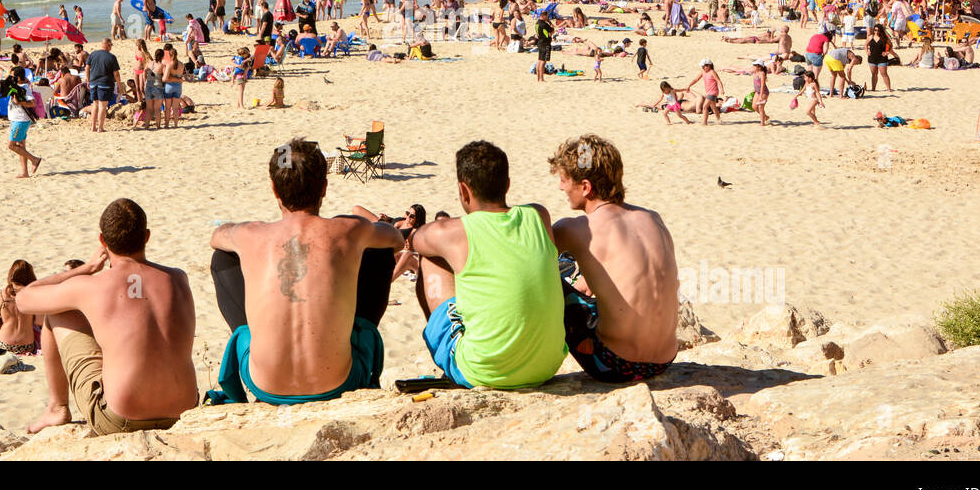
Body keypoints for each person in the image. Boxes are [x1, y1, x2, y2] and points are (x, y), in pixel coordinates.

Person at [207, 140, 404, 404]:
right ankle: (349, 337)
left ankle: (253, 336)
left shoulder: (250, 233)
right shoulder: (350, 230)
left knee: (222, 258)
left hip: (265, 385)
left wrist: (242, 229)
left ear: (274, 189)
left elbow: (216, 237)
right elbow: (396, 239)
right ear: (324, 187)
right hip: (340, 381)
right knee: (379, 252)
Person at [19, 198, 198, 434]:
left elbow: (24, 299)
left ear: (102, 241)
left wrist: (87, 268)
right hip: (182, 412)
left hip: (120, 419)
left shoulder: (92, 286)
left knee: (57, 313)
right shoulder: (178, 279)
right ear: (146, 236)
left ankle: (57, 407)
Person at [408, 141, 566, 389]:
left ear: (464, 190)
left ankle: (450, 360)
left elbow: (417, 240)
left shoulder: (452, 232)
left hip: (483, 372)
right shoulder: (539, 215)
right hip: (546, 365)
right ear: (508, 184)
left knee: (431, 258)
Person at [548, 137, 679, 382]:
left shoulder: (576, 229)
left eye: (564, 180)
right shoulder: (653, 218)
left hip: (614, 364)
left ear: (585, 187)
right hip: (665, 360)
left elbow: (528, 266)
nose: (561, 188)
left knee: (552, 272)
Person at [0, 260, 40, 360]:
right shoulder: (34, 295)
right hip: (28, 346)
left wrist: (6, 319)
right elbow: (39, 321)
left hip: (4, 344)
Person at [0, 66, 42, 177]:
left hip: (21, 120)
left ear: (18, 77)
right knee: (20, 146)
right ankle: (25, 172)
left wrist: (20, 103)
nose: (11, 78)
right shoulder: (17, 86)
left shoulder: (24, 88)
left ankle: (34, 160)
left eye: (13, 76)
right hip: (16, 119)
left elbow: (33, 103)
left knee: (11, 145)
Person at [85, 38, 123, 133]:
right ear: (108, 45)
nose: (111, 47)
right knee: (102, 106)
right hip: (105, 83)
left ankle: (93, 127)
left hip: (93, 82)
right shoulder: (111, 57)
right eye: (110, 45)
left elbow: (87, 68)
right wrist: (119, 85)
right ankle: (100, 128)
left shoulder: (93, 54)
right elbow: (116, 74)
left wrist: (88, 80)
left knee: (95, 104)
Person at [684, 59, 723, 125]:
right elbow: (696, 79)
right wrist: (689, 85)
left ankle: (704, 122)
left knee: (705, 107)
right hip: (708, 93)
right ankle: (719, 120)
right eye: (702, 67)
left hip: (713, 92)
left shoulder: (712, 72)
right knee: (713, 107)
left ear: (708, 66)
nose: (702, 68)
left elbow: (718, 81)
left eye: (703, 66)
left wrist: (722, 89)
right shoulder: (703, 72)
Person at [866, 23, 898, 92]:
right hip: (872, 58)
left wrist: (887, 52)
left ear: (880, 30)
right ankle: (873, 89)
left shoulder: (884, 38)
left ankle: (889, 88)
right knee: (874, 74)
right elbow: (865, 44)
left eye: (877, 30)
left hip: (882, 58)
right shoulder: (870, 37)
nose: (876, 31)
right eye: (875, 30)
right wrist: (867, 51)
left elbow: (891, 45)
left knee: (884, 74)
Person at [535, 11, 554, 83]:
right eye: (547, 16)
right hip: (545, 43)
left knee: (539, 60)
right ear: (544, 16)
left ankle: (538, 78)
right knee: (543, 61)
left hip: (540, 42)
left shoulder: (537, 23)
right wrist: (550, 24)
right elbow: (551, 32)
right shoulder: (544, 24)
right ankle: (541, 78)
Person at [751, 59, 770, 126]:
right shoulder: (755, 73)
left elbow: (762, 85)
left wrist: (761, 96)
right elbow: (756, 83)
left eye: (755, 65)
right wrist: (754, 90)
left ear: (759, 66)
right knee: (754, 107)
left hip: (764, 92)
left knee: (760, 107)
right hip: (757, 92)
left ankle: (762, 123)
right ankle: (766, 117)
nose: (753, 66)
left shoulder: (762, 74)